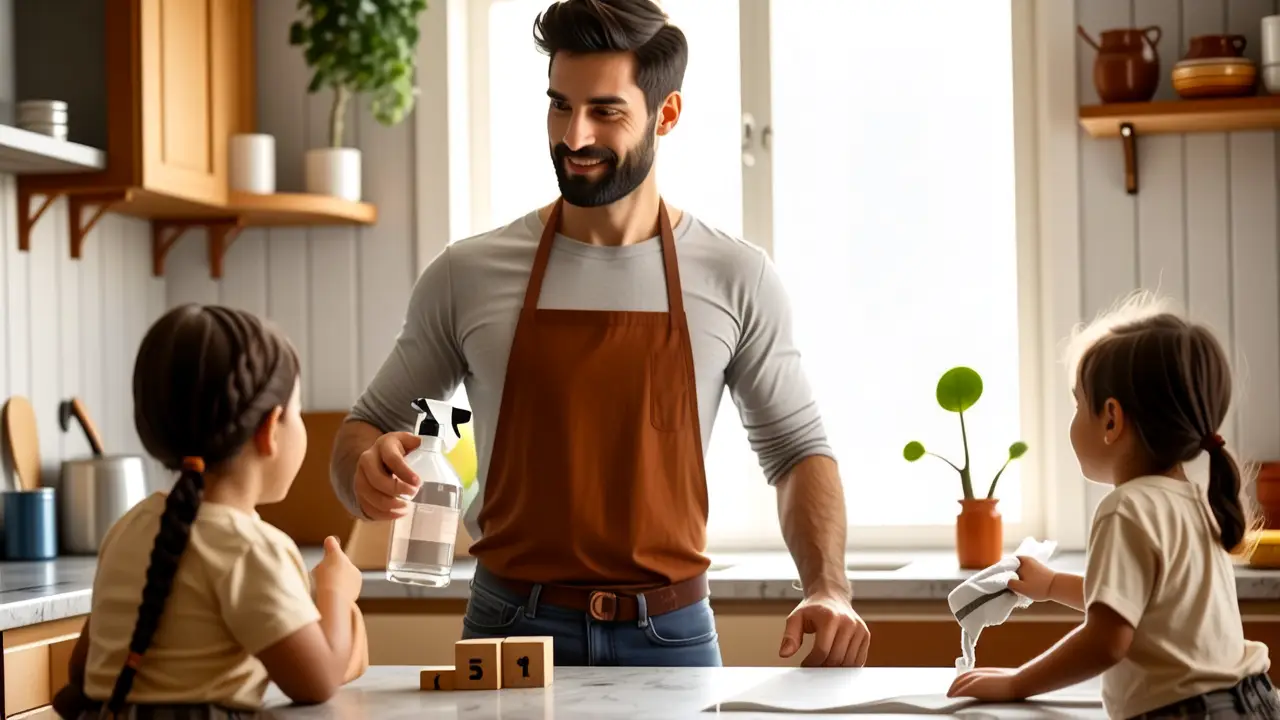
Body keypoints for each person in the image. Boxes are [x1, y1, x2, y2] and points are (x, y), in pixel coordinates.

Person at [331, 0, 869, 668]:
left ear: (665, 115)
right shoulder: (468, 274)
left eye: (605, 111)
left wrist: (830, 586)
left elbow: (796, 451)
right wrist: (365, 472)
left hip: (672, 636)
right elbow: (365, 428)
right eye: (560, 105)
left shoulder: (736, 276)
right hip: (509, 628)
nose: (574, 135)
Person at [948, 293, 1278, 719]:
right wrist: (1050, 585)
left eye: (1077, 404)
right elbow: (1147, 606)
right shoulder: (1196, 501)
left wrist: (1016, 682)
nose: (1073, 418)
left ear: (1110, 419)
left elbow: (1107, 640)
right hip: (1256, 699)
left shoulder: (1125, 508)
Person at [52, 304, 369, 719]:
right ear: (271, 429)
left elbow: (84, 670)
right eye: (298, 409)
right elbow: (318, 679)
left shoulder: (128, 529)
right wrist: (336, 590)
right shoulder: (250, 549)